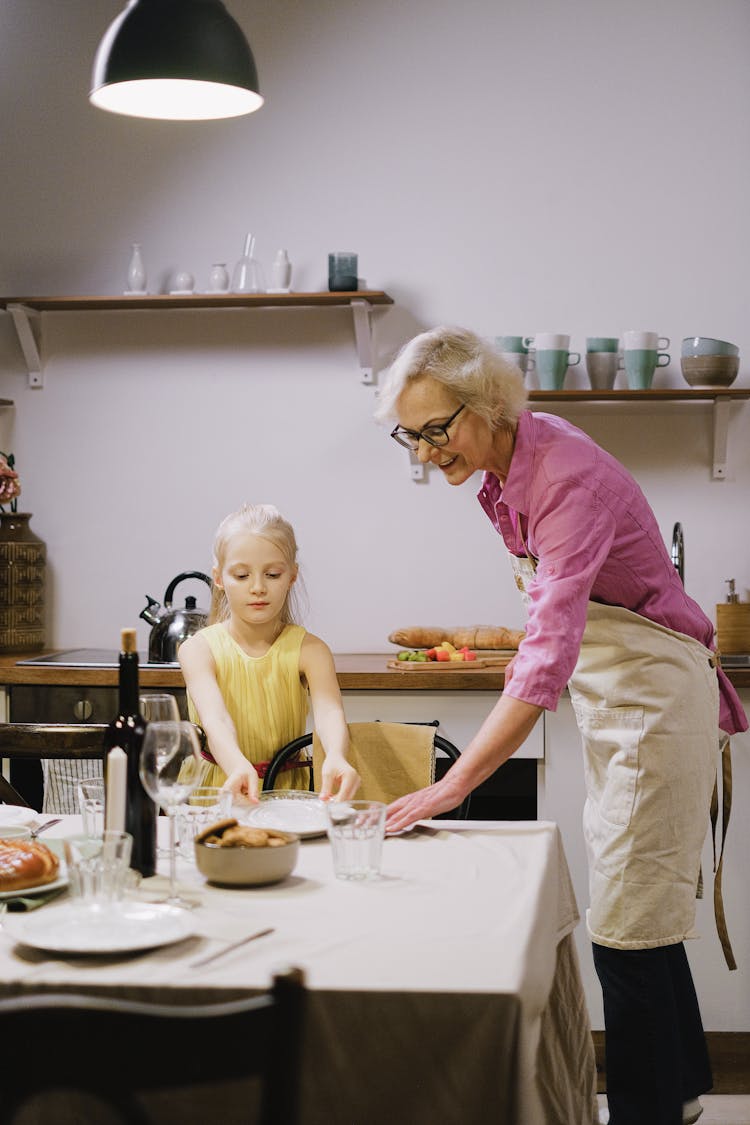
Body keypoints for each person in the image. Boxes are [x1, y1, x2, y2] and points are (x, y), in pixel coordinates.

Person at [374, 326, 748, 1125]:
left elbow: (545, 663)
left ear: (487, 405)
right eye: (412, 435)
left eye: (437, 430)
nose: (425, 452)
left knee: (623, 926)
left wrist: (450, 784)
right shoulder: (505, 467)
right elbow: (557, 611)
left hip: (651, 698)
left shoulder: (564, 477)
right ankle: (680, 1092)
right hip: (622, 698)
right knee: (638, 911)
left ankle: (646, 1111)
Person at [179, 503, 359, 805]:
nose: (258, 587)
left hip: (287, 792)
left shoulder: (311, 650)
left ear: (291, 576)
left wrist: (337, 756)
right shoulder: (198, 650)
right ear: (219, 579)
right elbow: (216, 719)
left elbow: (329, 712)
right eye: (242, 575)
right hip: (217, 789)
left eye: (273, 574)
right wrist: (237, 766)